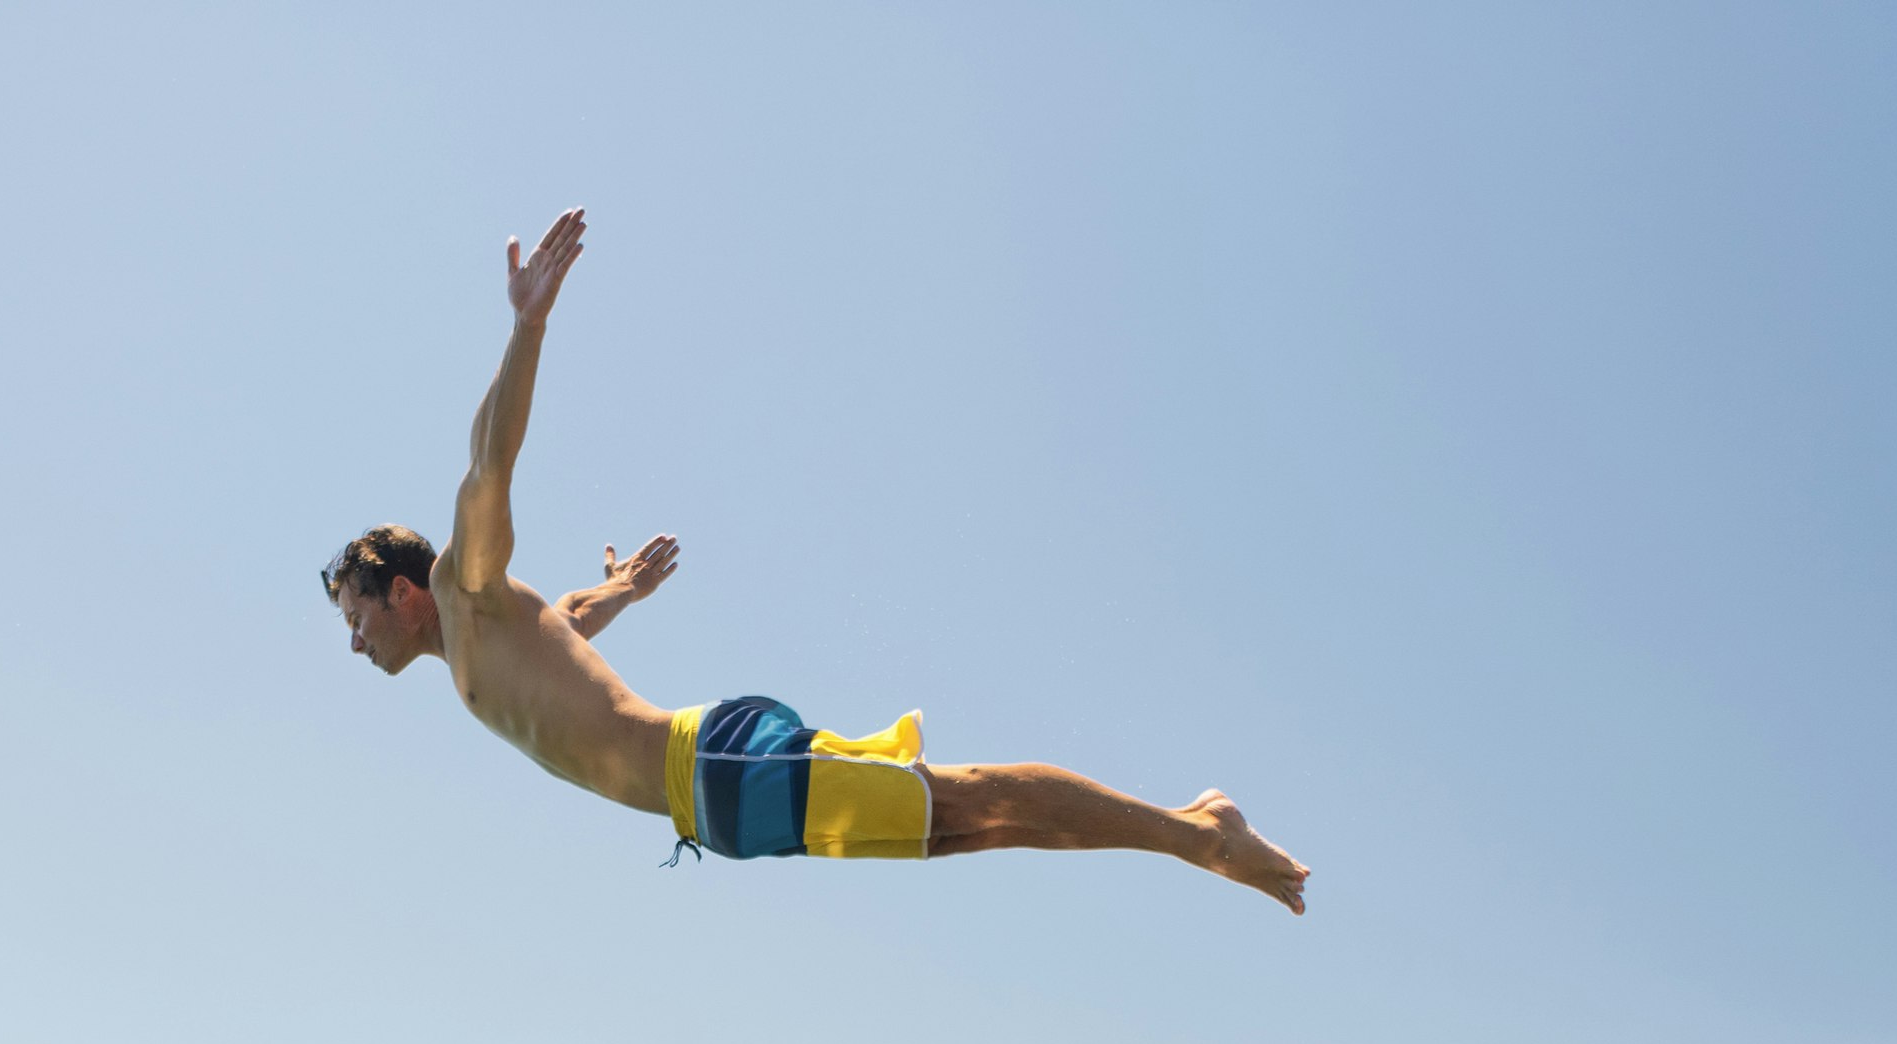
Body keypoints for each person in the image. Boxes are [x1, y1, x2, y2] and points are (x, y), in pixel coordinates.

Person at [322, 207, 1308, 912]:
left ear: (404, 590)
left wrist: (526, 325)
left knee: (967, 801)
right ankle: (1191, 828)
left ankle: (1199, 833)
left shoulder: (467, 586)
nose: (354, 641)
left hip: (707, 766)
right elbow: (566, 623)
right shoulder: (474, 647)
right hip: (712, 806)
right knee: (962, 825)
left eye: (356, 614)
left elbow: (488, 465)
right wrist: (620, 588)